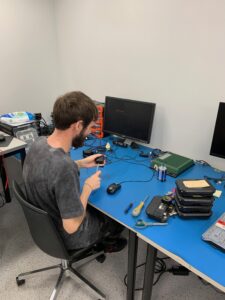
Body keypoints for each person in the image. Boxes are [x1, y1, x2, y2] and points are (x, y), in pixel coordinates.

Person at [23, 91, 126, 251]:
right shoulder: (64, 167)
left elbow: (50, 171)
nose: (91, 132)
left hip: (46, 227)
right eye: (91, 127)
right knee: (116, 218)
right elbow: (71, 226)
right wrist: (87, 188)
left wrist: (80, 163)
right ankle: (106, 243)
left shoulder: (38, 143)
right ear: (78, 125)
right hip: (68, 236)